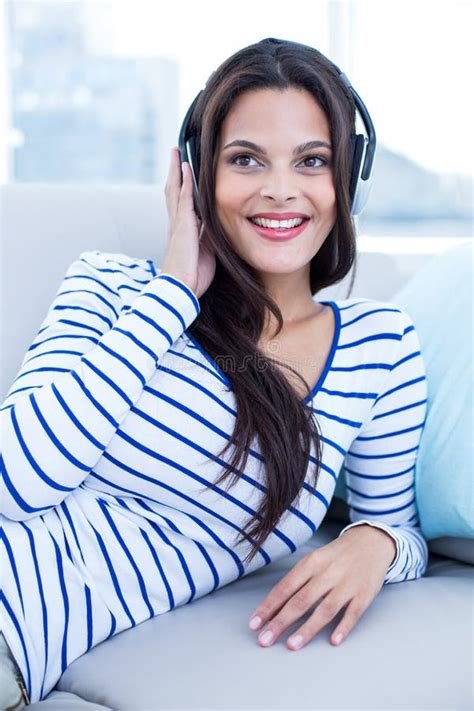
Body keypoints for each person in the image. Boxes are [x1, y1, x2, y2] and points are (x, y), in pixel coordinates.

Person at [0, 37, 429, 707]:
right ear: (196, 177)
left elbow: (398, 526)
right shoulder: (112, 286)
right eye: (246, 159)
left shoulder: (380, 348)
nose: (280, 189)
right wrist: (173, 294)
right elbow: (13, 481)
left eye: (312, 161)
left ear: (349, 181)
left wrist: (374, 542)